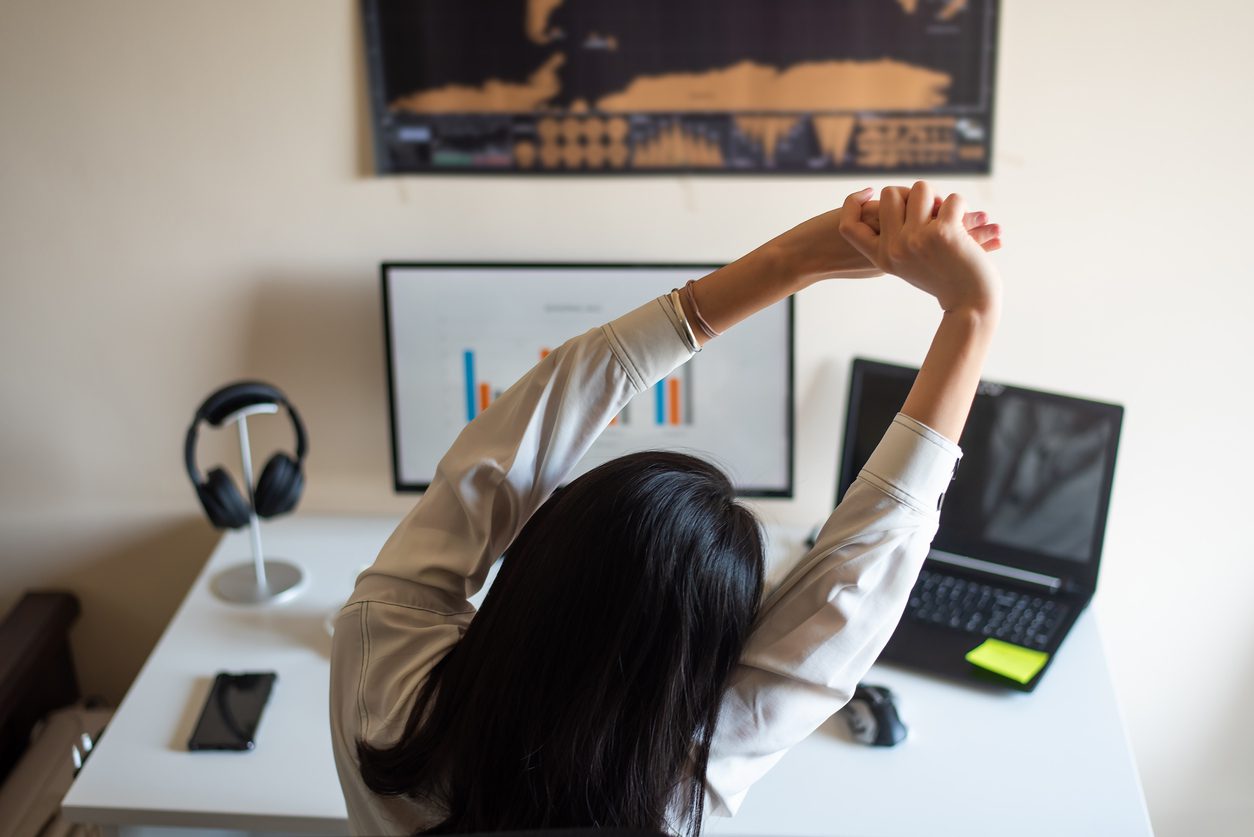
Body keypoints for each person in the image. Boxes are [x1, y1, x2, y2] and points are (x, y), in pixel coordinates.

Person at [330, 181, 1004, 836]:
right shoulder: (675, 790)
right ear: (702, 664)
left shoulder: (381, 675)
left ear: (538, 554)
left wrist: (794, 261)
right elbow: (845, 604)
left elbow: (511, 444)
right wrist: (968, 311)